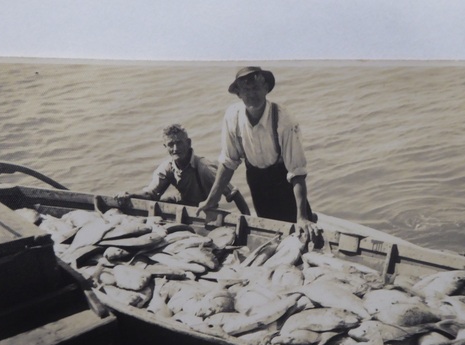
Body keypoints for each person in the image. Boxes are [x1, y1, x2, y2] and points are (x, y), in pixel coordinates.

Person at [196, 66, 319, 241]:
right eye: (246, 90)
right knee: (271, 235)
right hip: (257, 182)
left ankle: (308, 217)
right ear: (238, 94)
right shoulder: (233, 117)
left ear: (266, 88)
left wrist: (302, 217)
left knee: (302, 234)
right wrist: (211, 200)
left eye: (256, 88)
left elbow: (297, 172)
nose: (251, 94)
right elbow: (229, 162)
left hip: (284, 181)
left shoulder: (284, 119)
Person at [115, 124, 250, 215]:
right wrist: (131, 195)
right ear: (165, 147)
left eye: (179, 143)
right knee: (161, 203)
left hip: (205, 210)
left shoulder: (204, 167)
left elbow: (234, 194)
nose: (175, 149)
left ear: (188, 143)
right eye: (170, 144)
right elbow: (151, 194)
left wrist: (247, 220)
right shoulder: (167, 167)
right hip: (183, 206)